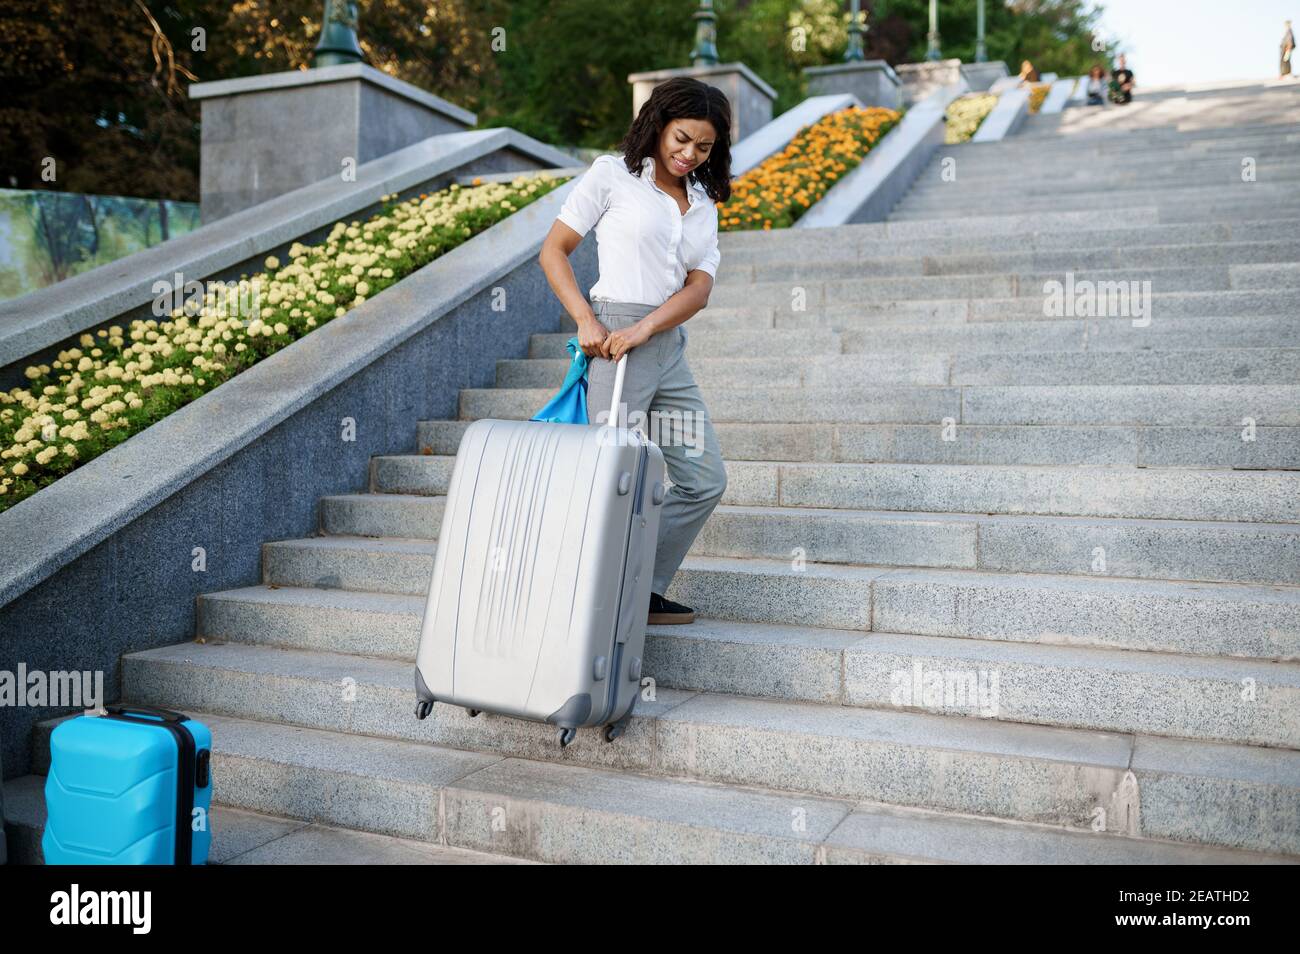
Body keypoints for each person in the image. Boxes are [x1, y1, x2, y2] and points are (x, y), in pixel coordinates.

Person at [539, 77, 731, 626]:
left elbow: (700, 287)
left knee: (703, 479)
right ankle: (576, 597)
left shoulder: (701, 202)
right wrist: (585, 320)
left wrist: (649, 329)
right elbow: (554, 250)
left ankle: (636, 586)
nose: (689, 154)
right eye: (682, 138)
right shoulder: (612, 176)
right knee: (605, 476)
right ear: (658, 123)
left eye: (704, 147)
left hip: (663, 344)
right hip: (613, 348)